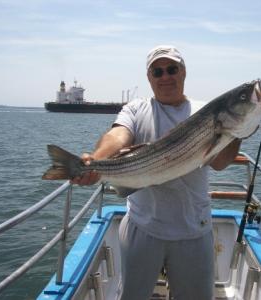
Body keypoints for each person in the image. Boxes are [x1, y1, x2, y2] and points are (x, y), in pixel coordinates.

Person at [72, 45, 241, 300]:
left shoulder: (204, 112)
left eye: (172, 69)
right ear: (149, 78)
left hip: (194, 228)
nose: (165, 77)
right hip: (142, 227)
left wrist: (237, 132)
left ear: (183, 72)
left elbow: (219, 163)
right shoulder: (136, 109)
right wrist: (96, 160)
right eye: (157, 72)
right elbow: (118, 136)